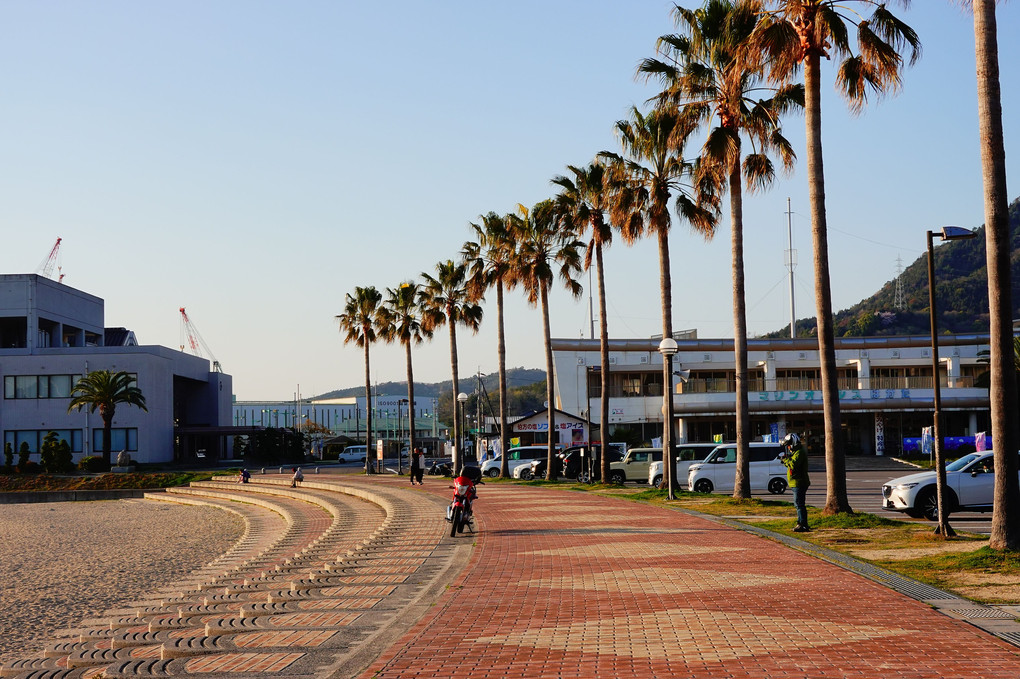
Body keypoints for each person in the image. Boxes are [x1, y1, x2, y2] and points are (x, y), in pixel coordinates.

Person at [781, 433, 810, 532]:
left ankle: (802, 524)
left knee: (799, 504)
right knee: (798, 504)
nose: (788, 448)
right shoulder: (795, 453)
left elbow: (793, 465)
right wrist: (786, 460)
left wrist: (786, 460)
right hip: (795, 482)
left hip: (799, 482)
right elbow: (790, 465)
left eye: (788, 445)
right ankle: (801, 522)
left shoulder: (799, 453)